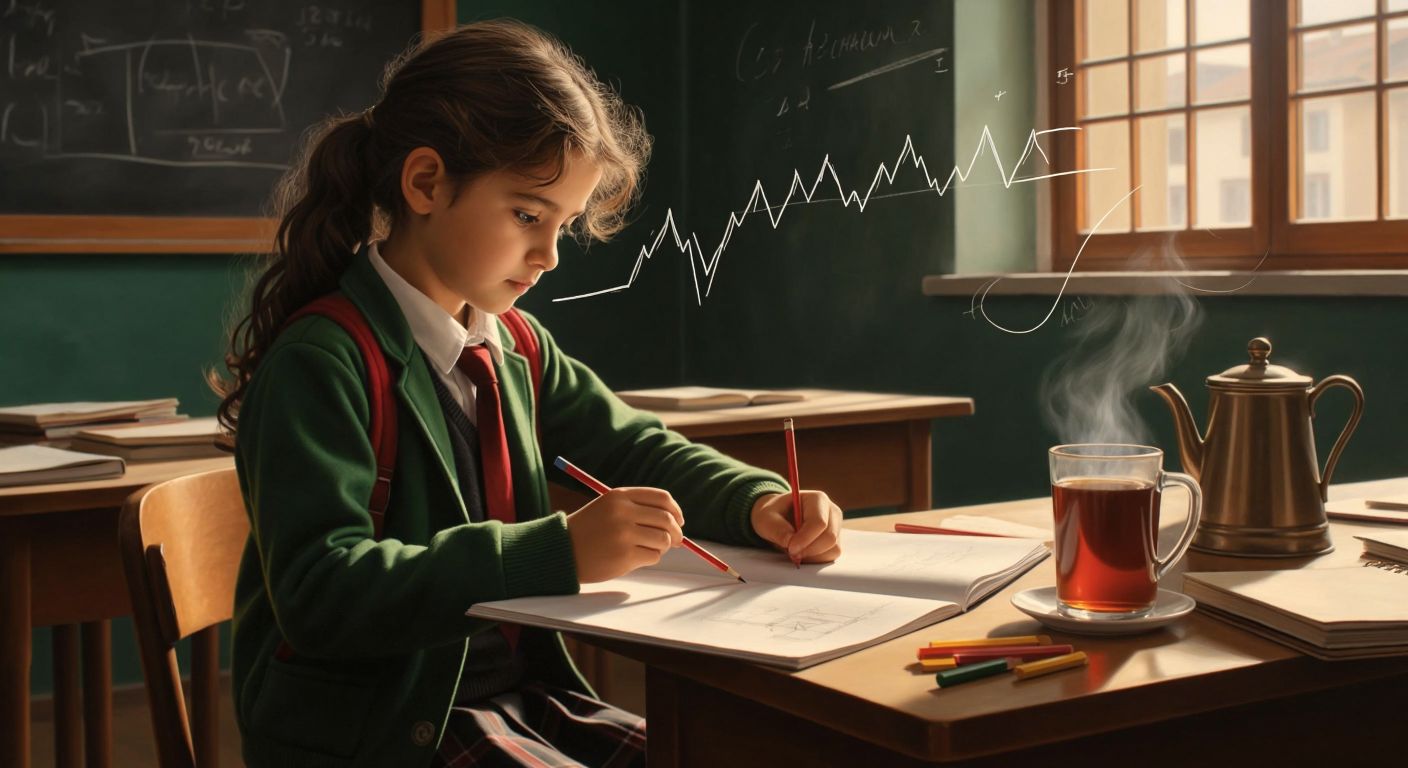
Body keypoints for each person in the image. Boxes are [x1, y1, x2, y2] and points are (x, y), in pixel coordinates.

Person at [209, 18, 843, 768]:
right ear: (425, 183)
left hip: (518, 698)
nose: (548, 256)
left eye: (563, 226)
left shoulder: (515, 345)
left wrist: (756, 501)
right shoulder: (323, 360)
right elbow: (323, 594)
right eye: (526, 215)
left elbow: (635, 448)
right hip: (383, 732)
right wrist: (557, 551)